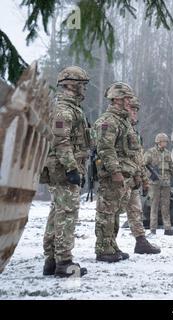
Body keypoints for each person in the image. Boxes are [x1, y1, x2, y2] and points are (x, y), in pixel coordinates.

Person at [42, 66, 90, 277]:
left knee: (57, 213)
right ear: (72, 85)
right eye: (82, 85)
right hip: (63, 169)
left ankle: (51, 261)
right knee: (67, 214)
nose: (84, 89)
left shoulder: (70, 108)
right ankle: (64, 263)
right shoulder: (64, 109)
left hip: (64, 168)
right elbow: (61, 141)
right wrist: (72, 168)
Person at [94, 82, 140, 263]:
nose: (129, 101)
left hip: (125, 174)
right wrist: (115, 171)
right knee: (106, 212)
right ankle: (103, 248)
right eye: (126, 98)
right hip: (113, 175)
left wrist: (135, 174)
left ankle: (112, 245)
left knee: (115, 213)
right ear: (117, 99)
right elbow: (105, 148)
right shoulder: (108, 121)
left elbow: (132, 152)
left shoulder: (123, 121)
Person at [125, 96, 161, 254]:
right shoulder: (117, 126)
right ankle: (106, 245)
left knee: (135, 210)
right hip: (120, 175)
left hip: (133, 176)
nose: (134, 113)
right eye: (131, 109)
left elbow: (139, 159)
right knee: (109, 212)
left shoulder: (133, 131)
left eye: (136, 110)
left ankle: (140, 241)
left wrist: (144, 181)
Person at [144, 133, 173, 235]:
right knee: (154, 205)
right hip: (154, 183)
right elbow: (143, 165)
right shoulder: (150, 152)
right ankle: (153, 229)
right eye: (164, 141)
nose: (165, 143)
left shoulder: (167, 153)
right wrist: (149, 175)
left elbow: (172, 167)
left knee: (166, 206)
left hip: (166, 183)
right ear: (158, 142)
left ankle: (167, 228)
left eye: (166, 141)